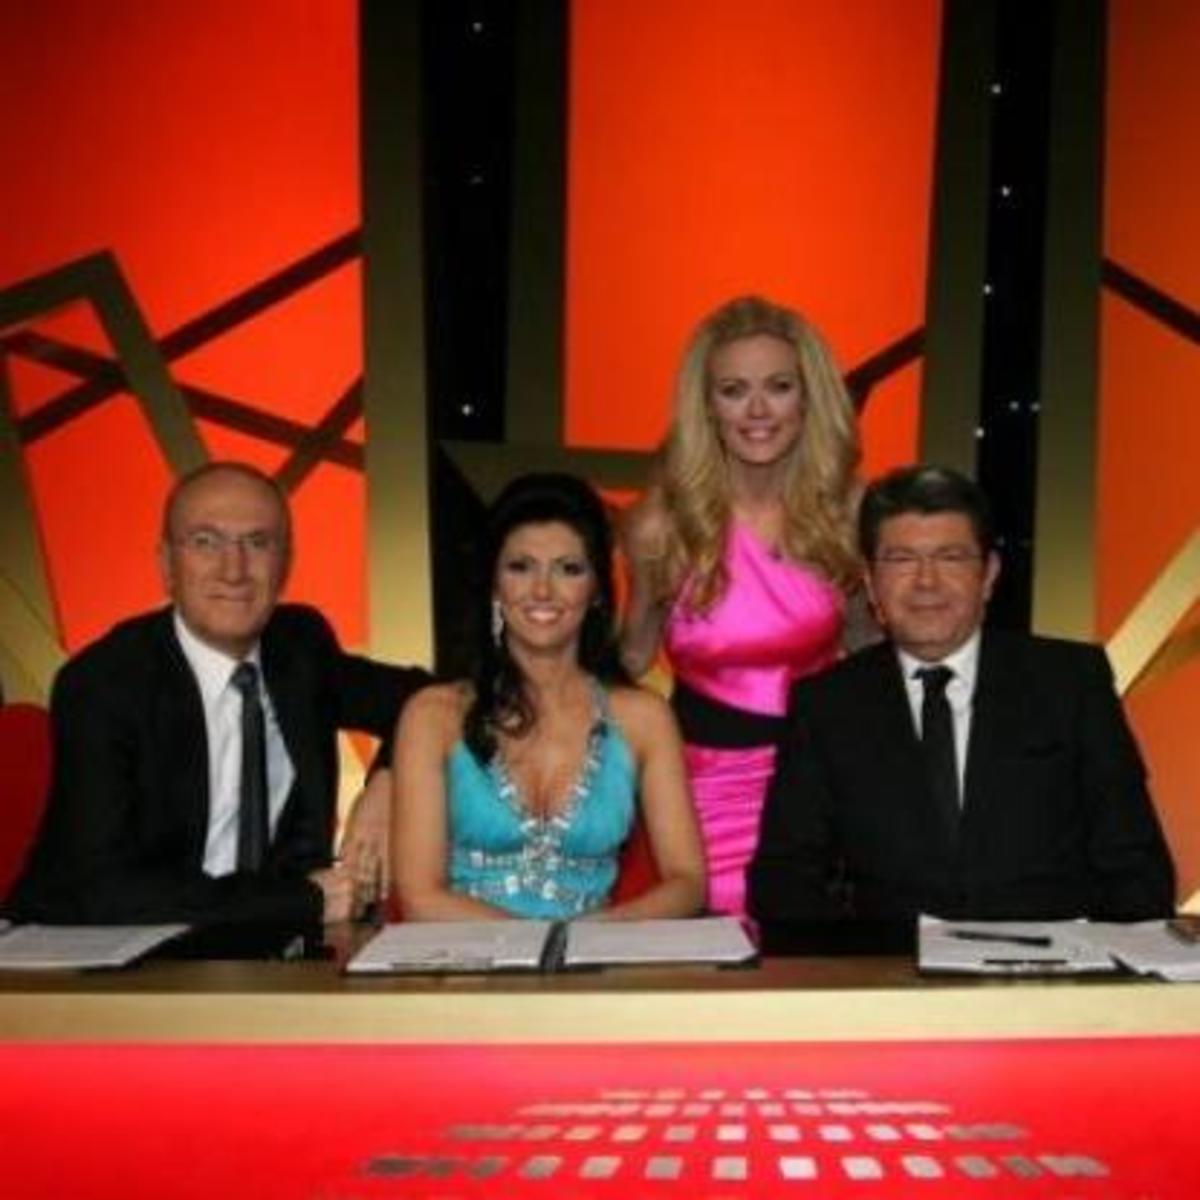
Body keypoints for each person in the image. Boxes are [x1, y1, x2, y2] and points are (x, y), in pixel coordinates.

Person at [6, 462, 429, 928]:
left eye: (258, 542)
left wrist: (387, 786)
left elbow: (424, 696)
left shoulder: (299, 648)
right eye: (206, 542)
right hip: (94, 951)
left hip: (270, 954)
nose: (234, 571)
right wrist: (302, 901)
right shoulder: (102, 684)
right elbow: (104, 889)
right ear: (167, 565)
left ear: (286, 564)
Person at [749, 465, 1176, 923]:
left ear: (988, 575)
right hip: (891, 963)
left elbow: (1137, 869)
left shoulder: (1070, 683)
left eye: (950, 557)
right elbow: (783, 878)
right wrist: (860, 961)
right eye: (902, 559)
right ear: (870, 582)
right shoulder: (826, 704)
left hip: (1050, 961)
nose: (926, 581)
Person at [620, 296, 863, 916]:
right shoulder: (661, 527)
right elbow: (628, 659)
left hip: (824, 787)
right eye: (734, 391)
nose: (758, 411)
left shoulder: (848, 515)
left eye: (779, 387)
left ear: (808, 399)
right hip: (700, 795)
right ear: (707, 406)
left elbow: (871, 658)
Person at [392, 472, 706, 920]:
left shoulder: (644, 718)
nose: (542, 590)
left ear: (596, 590)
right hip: (466, 959)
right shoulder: (432, 716)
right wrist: (540, 946)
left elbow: (688, 881)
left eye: (568, 569)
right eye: (520, 567)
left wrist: (596, 937)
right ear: (494, 584)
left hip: (594, 957)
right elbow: (420, 897)